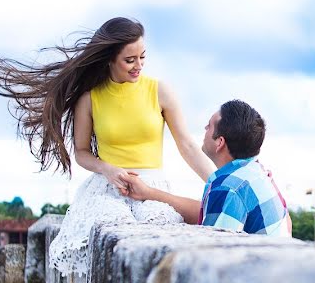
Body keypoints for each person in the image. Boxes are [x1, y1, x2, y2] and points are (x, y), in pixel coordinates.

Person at [0, 17, 216, 274]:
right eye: (130, 60)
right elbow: (81, 152)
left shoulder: (159, 91)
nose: (138, 66)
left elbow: (188, 146)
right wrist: (108, 169)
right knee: (109, 238)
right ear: (110, 59)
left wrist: (221, 183)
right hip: (108, 188)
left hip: (152, 187)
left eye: (142, 57)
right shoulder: (90, 98)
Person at [124, 99, 291, 236]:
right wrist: (148, 192)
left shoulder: (228, 188)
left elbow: (212, 250)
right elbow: (204, 212)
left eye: (209, 125)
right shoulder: (256, 172)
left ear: (220, 142)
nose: (204, 129)